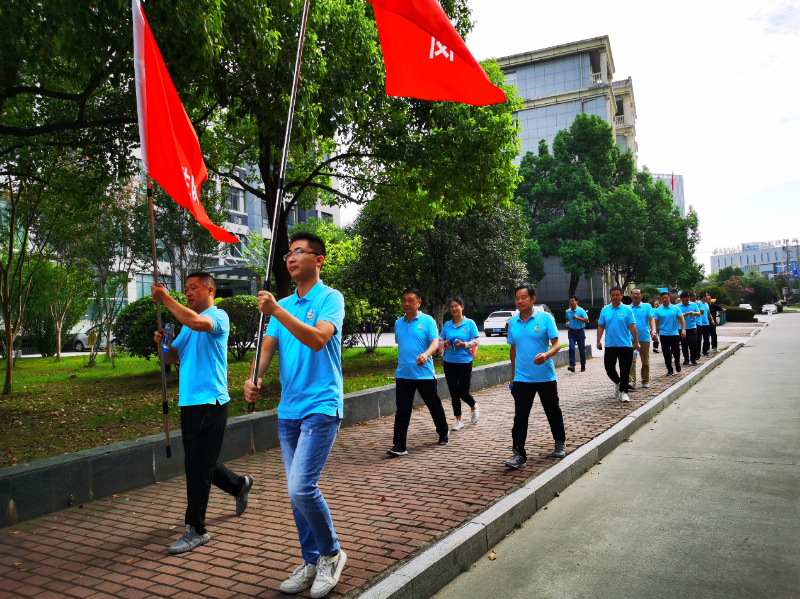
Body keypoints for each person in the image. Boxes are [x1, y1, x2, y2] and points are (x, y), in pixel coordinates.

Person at [243, 232, 347, 598]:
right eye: (289, 252)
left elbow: (318, 339)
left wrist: (277, 311)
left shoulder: (330, 298)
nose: (291, 257)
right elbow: (267, 349)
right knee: (295, 494)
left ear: (318, 260)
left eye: (299, 252)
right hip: (289, 410)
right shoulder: (283, 305)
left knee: (302, 487)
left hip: (322, 405)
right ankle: (311, 559)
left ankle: (331, 554)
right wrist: (254, 377)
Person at [152, 273, 254, 556]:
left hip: (210, 402)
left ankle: (196, 530)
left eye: (193, 288)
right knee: (200, 462)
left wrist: (165, 298)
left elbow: (199, 324)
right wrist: (162, 343)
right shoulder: (187, 326)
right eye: (185, 289)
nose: (188, 292)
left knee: (197, 465)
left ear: (210, 290)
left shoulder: (217, 316)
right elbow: (171, 358)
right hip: (189, 402)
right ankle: (239, 485)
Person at [504, 285, 565, 469]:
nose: (520, 301)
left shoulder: (545, 318)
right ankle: (519, 454)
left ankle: (559, 441)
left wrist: (546, 355)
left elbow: (557, 344)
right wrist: (513, 376)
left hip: (545, 376)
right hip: (522, 379)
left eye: (523, 297)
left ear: (533, 299)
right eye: (517, 298)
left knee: (552, 411)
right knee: (520, 417)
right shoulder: (513, 322)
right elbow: (513, 350)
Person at [386, 288, 450, 456]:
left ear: (419, 303)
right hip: (403, 374)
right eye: (404, 300)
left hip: (424, 374)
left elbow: (435, 343)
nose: (406, 304)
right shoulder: (398, 323)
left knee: (434, 406)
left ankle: (443, 432)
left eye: (410, 300)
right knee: (402, 411)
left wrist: (426, 355)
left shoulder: (427, 321)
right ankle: (399, 446)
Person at [439, 297, 480, 431]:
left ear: (462, 307)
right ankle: (459, 420)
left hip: (464, 362)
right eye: (451, 306)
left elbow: (477, 341)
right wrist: (444, 343)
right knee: (454, 392)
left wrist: (464, 344)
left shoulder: (470, 323)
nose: (453, 309)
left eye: (456, 306)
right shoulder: (447, 325)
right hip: (449, 362)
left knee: (463, 392)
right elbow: (439, 340)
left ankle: (474, 406)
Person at [596, 287, 639, 402]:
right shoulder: (605, 310)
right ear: (610, 296)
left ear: (621, 296)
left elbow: (632, 327)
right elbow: (601, 326)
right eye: (613, 295)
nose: (615, 297)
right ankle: (618, 382)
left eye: (617, 295)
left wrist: (636, 342)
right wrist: (598, 341)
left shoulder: (627, 310)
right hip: (610, 345)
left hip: (625, 345)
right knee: (609, 369)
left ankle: (624, 392)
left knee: (625, 370)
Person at [628, 288, 657, 390]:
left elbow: (651, 319)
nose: (635, 296)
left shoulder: (647, 306)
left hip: (644, 338)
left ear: (641, 296)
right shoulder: (627, 308)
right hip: (630, 338)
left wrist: (653, 331)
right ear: (631, 296)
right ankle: (631, 381)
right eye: (634, 294)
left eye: (637, 294)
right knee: (631, 360)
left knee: (645, 361)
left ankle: (645, 380)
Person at [653, 292, 686, 376]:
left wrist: (683, 330)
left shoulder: (676, 308)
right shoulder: (658, 310)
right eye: (663, 298)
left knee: (676, 351)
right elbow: (656, 322)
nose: (664, 299)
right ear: (661, 299)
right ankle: (669, 369)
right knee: (666, 353)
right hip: (663, 334)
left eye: (666, 298)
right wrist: (655, 333)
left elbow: (682, 319)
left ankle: (677, 363)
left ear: (669, 298)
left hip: (674, 333)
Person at [565, 295, 589, 372]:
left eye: (573, 301)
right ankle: (572, 365)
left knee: (582, 349)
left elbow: (587, 320)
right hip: (571, 332)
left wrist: (577, 318)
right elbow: (567, 320)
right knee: (571, 348)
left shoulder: (581, 310)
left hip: (580, 332)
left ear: (577, 302)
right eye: (570, 301)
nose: (571, 302)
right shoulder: (567, 311)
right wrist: (567, 323)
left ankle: (583, 365)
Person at [677, 292, 700, 365]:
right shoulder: (677, 306)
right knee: (684, 344)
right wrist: (682, 315)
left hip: (692, 327)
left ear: (689, 298)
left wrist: (693, 312)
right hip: (681, 328)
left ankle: (693, 358)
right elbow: (675, 317)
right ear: (681, 300)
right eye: (683, 300)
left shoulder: (694, 305)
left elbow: (699, 314)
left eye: (686, 300)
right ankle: (686, 359)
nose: (685, 302)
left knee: (693, 343)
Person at [696, 291, 712, 357]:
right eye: (707, 295)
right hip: (699, 324)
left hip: (706, 323)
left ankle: (705, 351)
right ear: (704, 296)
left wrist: (712, 320)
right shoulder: (698, 303)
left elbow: (708, 313)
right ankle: (697, 353)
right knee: (698, 339)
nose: (708, 297)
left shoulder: (706, 304)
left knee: (706, 338)